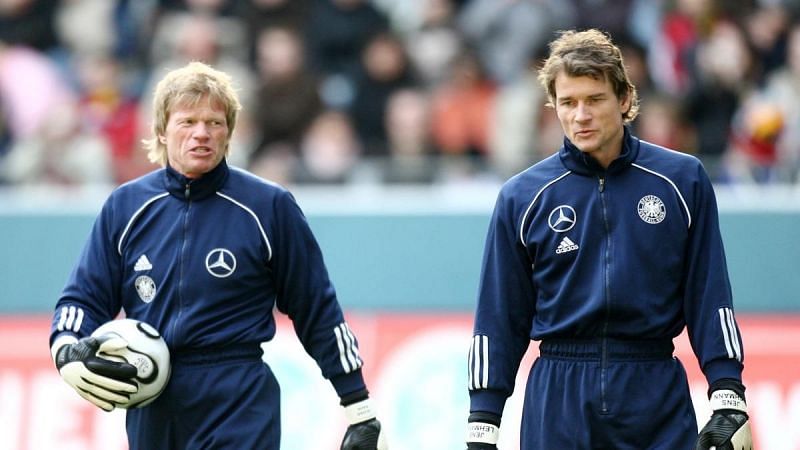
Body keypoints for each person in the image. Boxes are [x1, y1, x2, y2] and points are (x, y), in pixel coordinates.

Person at [48, 61, 387, 450]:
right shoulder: (125, 207)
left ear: (229, 133)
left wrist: (358, 407)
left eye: (214, 123)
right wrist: (66, 346)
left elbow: (318, 309)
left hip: (238, 398)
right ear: (161, 130)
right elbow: (83, 297)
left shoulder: (268, 207)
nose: (201, 134)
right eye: (187, 122)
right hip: (152, 401)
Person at [465, 29, 753, 450]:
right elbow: (497, 316)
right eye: (567, 102)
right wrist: (482, 423)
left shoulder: (682, 180)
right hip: (558, 396)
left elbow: (709, 294)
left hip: (653, 391)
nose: (580, 115)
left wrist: (728, 395)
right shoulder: (522, 197)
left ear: (622, 100)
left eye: (594, 99)